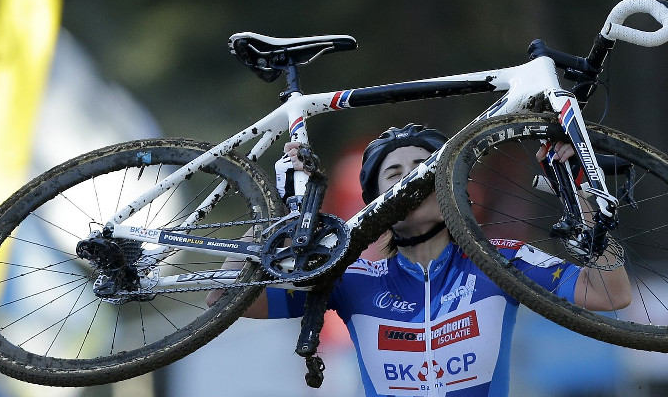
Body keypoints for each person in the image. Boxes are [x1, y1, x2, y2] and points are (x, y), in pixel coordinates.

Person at [208, 124, 631, 397]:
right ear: (378, 204)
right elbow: (225, 298)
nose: (411, 180)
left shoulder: (499, 259)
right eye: (395, 176)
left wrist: (586, 205)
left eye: (422, 169)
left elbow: (609, 294)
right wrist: (281, 214)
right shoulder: (354, 279)